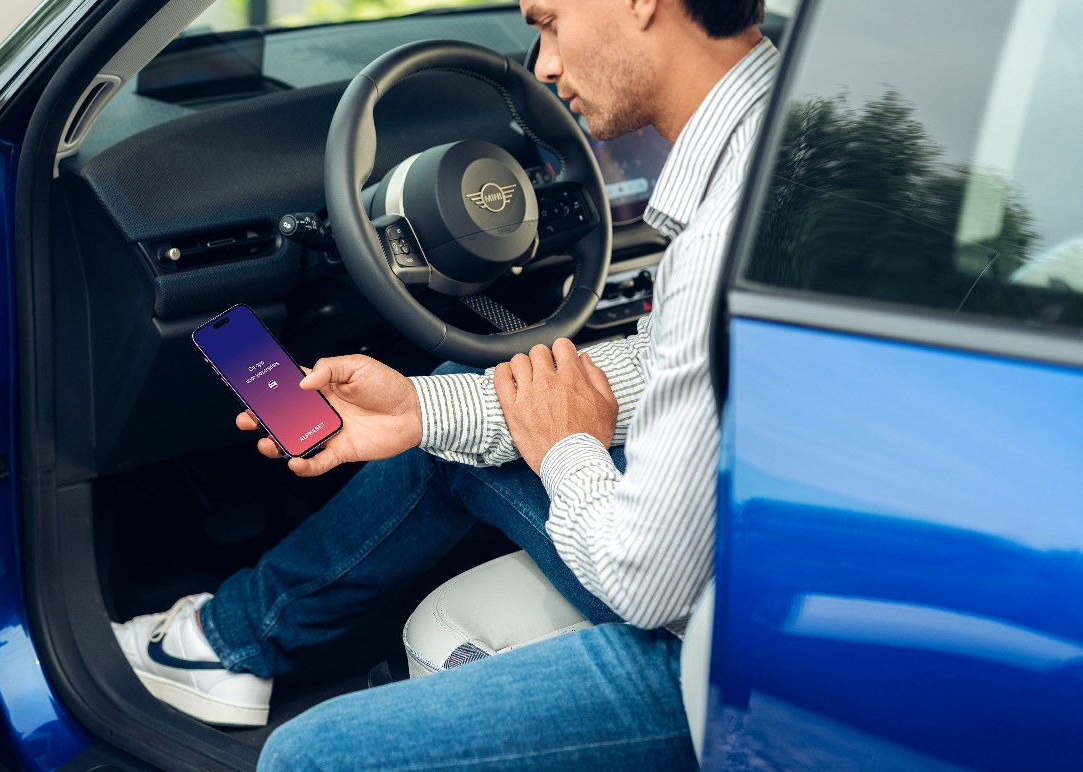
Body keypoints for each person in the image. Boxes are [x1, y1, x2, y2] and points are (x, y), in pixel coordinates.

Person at [112, 0, 777, 766]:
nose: (543, 65)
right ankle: (233, 640)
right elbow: (673, 365)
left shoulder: (726, 238)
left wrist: (566, 447)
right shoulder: (798, 144)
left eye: (550, 21)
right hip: (769, 566)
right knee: (463, 400)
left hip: (739, 659)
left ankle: (227, 642)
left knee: (306, 760)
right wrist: (418, 409)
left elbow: (651, 584)